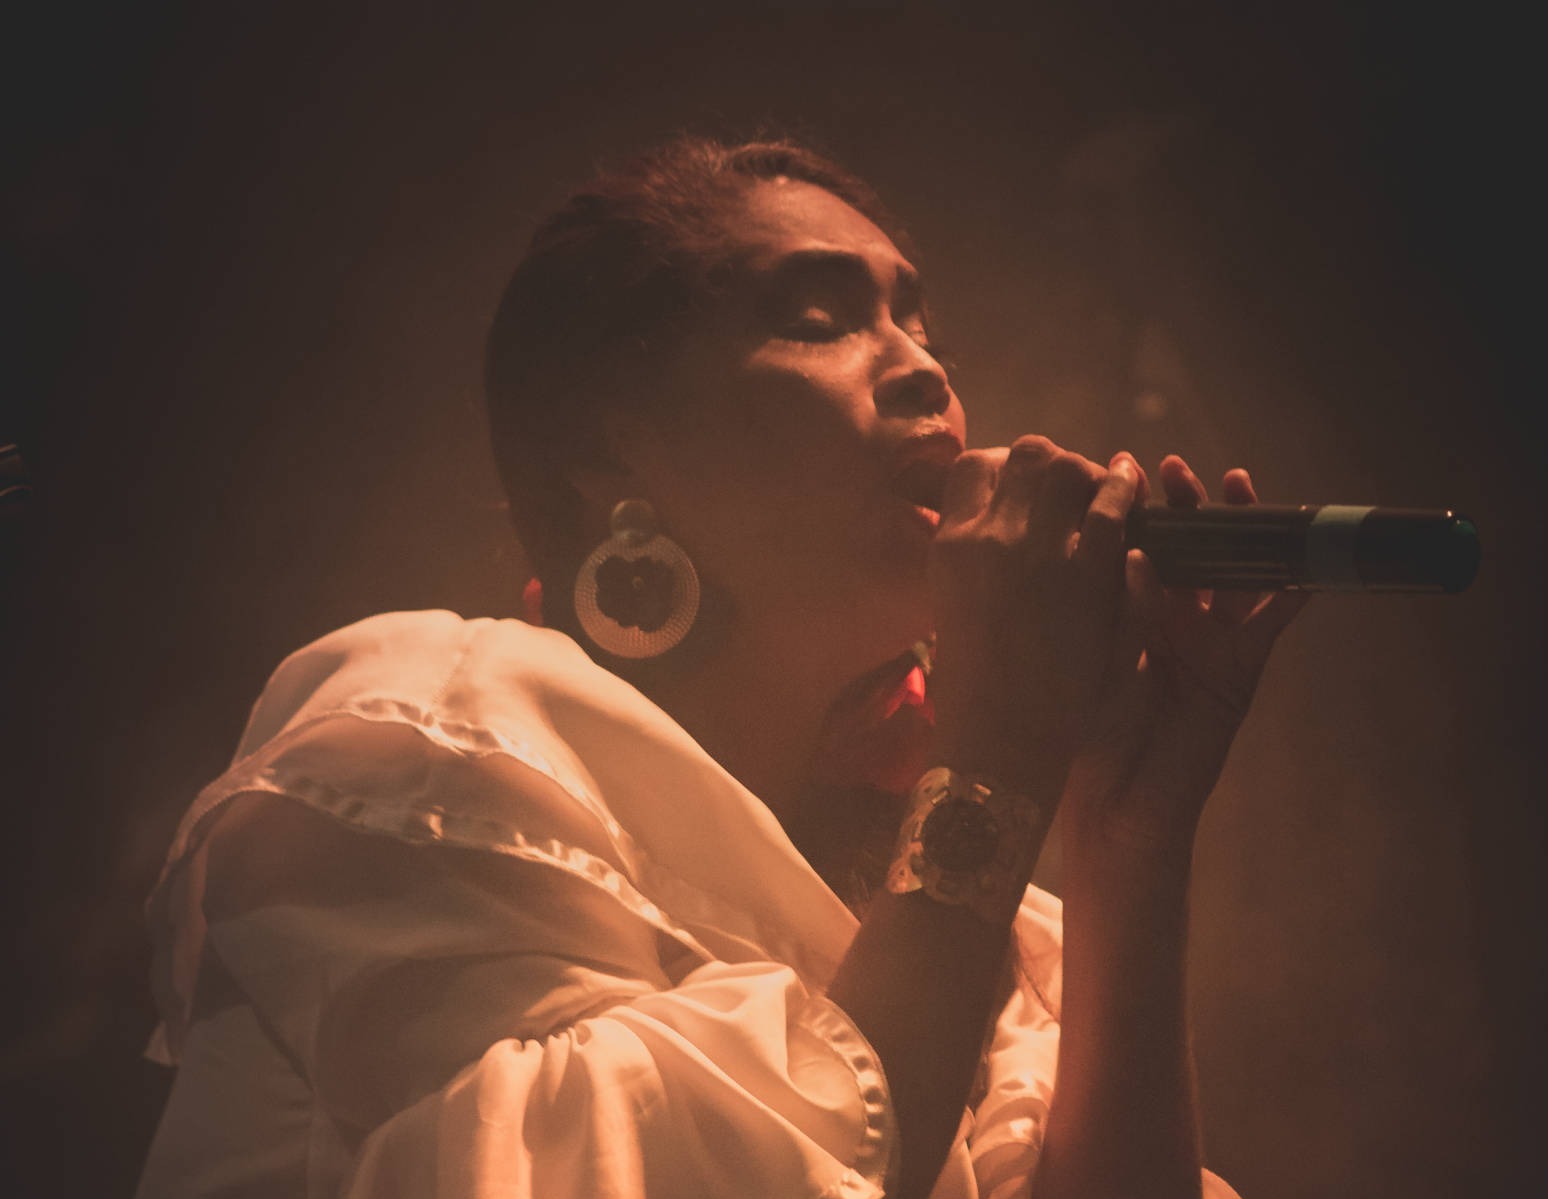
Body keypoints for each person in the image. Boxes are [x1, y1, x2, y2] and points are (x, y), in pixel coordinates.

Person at [134, 134, 1307, 1199]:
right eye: (820, 318)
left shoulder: (962, 910)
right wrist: (996, 752)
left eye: (924, 329)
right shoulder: (442, 730)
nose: (922, 370)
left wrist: (1128, 832)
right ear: (613, 446)